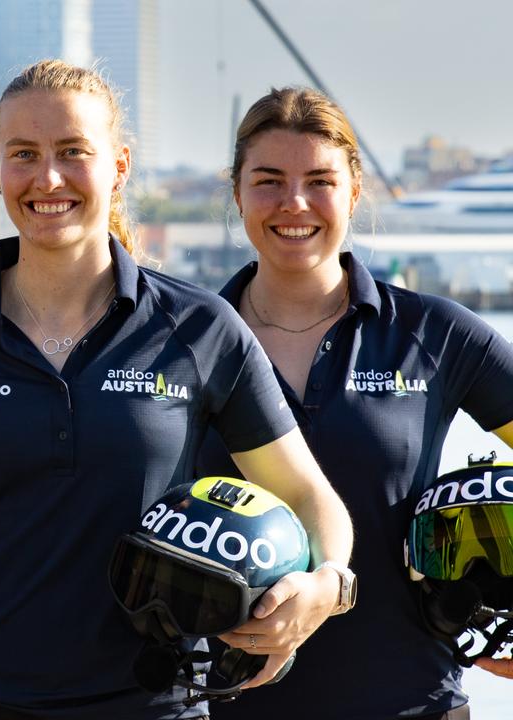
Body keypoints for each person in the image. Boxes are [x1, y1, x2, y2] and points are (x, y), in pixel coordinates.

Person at [0, 59, 355, 720]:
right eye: (24, 155)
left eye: (74, 152)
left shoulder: (199, 328)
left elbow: (308, 497)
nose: (49, 179)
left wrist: (327, 585)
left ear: (119, 164)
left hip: (152, 701)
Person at [197, 86, 513, 720]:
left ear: (354, 191)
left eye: (319, 180)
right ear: (236, 193)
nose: (294, 203)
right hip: (221, 707)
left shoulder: (436, 334)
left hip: (413, 703)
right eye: (268, 181)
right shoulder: (184, 339)